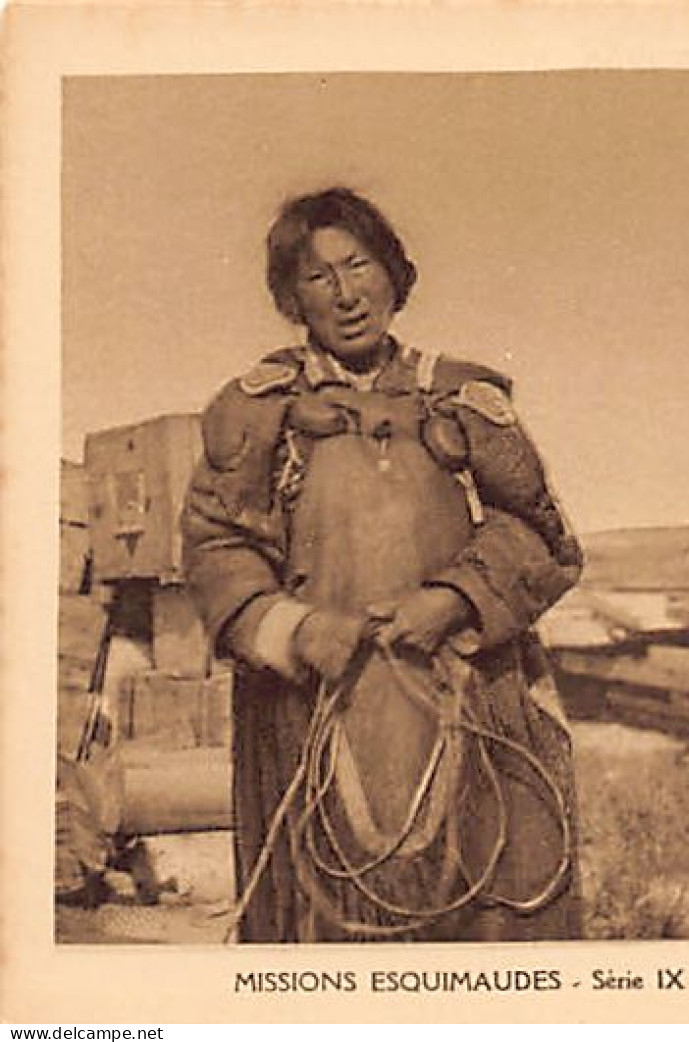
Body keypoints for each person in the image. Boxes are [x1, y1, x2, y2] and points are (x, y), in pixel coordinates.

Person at [181, 187, 584, 942]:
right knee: (321, 927)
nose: (345, 293)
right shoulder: (255, 411)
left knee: (492, 915)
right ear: (292, 299)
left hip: (467, 692)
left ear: (395, 274)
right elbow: (214, 548)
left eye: (358, 265)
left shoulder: (464, 399)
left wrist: (457, 599)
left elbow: (542, 533)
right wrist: (292, 630)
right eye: (317, 277)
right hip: (314, 709)